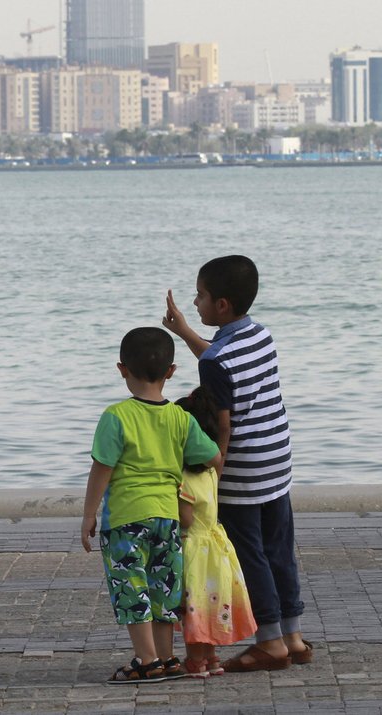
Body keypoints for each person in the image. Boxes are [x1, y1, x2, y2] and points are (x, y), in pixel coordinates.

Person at [163, 255, 312, 672]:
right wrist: (185, 332)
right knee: (280, 549)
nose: (195, 302)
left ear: (221, 305)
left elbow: (223, 427)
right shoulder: (259, 335)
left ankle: (269, 644)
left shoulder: (216, 362)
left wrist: (213, 474)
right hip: (276, 462)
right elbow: (220, 359)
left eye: (201, 296)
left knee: (251, 554)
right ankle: (293, 636)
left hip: (243, 472)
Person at [81, 327, 221, 684]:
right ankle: (167, 658)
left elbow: (102, 469)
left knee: (132, 588)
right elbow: (212, 457)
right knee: (163, 587)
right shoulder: (180, 418)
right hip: (167, 518)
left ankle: (145, 660)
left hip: (126, 519)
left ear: (121, 368)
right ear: (171, 371)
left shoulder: (116, 416)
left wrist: (88, 515)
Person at [174, 386, 257, 678]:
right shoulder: (212, 470)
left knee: (193, 606)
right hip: (217, 547)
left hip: (193, 548)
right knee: (210, 603)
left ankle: (195, 661)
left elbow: (185, 519)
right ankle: (211, 658)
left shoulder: (182, 479)